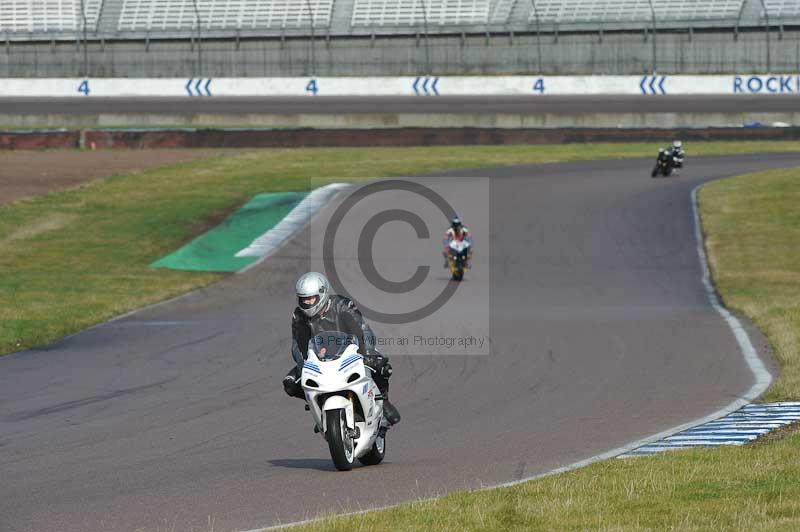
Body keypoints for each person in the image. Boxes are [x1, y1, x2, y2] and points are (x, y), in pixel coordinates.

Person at [282, 272, 401, 425]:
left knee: (381, 366)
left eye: (311, 298)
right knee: (290, 383)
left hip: (352, 352)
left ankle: (383, 401)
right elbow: (298, 343)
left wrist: (368, 354)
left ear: (323, 293)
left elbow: (362, 330)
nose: (308, 303)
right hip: (319, 359)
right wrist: (304, 364)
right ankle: (319, 402)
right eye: (303, 299)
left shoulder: (342, 305)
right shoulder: (299, 315)